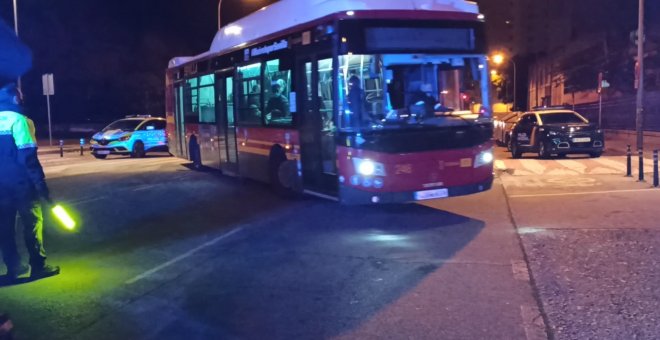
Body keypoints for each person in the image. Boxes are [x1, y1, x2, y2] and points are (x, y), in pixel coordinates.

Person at [0, 18, 59, 280]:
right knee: (32, 224)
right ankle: (38, 266)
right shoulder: (20, 121)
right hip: (22, 185)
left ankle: (14, 267)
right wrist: (42, 187)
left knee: (4, 228)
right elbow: (28, 157)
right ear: (16, 98)